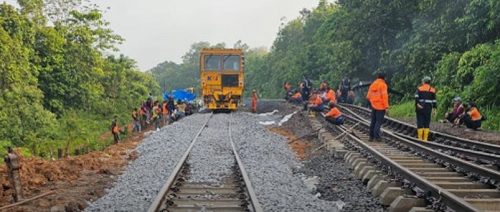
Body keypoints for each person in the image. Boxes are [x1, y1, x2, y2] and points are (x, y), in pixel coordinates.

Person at [366, 73, 389, 142]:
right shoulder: (383, 85)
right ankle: (377, 136)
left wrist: (372, 102)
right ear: (384, 78)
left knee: (373, 121)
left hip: (373, 106)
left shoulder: (372, 84)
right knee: (378, 122)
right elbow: (384, 97)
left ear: (377, 77)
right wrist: (386, 107)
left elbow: (368, 96)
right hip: (381, 107)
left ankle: (371, 136)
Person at [415, 76, 437, 141]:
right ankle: (425, 139)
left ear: (424, 82)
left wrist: (418, 104)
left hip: (420, 108)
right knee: (427, 123)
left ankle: (420, 138)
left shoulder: (419, 88)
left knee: (420, 122)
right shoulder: (432, 90)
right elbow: (434, 101)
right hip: (428, 108)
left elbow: (416, 97)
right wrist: (435, 109)